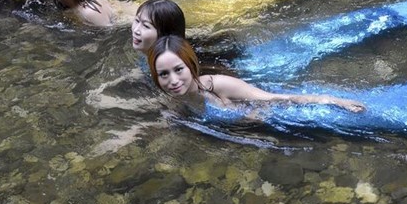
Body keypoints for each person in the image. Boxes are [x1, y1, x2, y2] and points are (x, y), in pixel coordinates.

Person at [147, 35, 365, 116]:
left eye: (179, 70)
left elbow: (277, 99)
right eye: (163, 74)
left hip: (254, 101)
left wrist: (336, 101)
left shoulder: (220, 85)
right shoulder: (168, 98)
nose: (173, 81)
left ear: (191, 66)